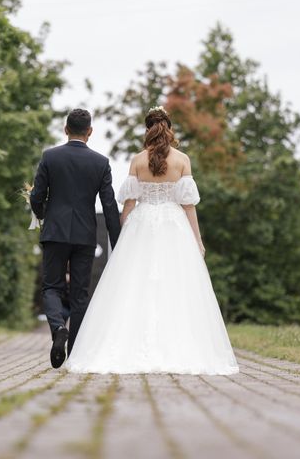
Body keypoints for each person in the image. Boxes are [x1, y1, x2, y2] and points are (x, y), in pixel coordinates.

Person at [65, 106, 239, 375]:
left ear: (148, 130)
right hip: (174, 225)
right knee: (177, 286)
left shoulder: (137, 160)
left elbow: (129, 204)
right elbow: (189, 205)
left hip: (142, 224)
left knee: (134, 283)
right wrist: (198, 240)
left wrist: (123, 234)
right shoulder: (182, 160)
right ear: (169, 129)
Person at [30, 109, 121, 369]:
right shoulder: (101, 163)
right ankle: (75, 352)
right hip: (84, 236)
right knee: (80, 294)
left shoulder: (50, 157)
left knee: (51, 288)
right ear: (90, 132)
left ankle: (58, 327)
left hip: (55, 233)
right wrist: (117, 241)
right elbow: (109, 205)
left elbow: (37, 196)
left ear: (65, 129)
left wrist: (42, 216)